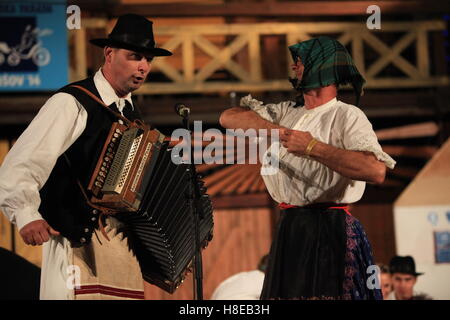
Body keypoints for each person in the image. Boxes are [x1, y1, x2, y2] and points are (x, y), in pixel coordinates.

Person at [0, 14, 172, 299]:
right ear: (109, 53)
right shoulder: (71, 102)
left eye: (148, 60)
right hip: (75, 242)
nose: (143, 67)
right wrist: (25, 213)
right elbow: (22, 162)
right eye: (134, 56)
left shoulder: (132, 116)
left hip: (121, 247)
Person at [220, 36, 396, 300]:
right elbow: (228, 118)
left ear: (321, 68)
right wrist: (278, 131)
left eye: (300, 62)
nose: (294, 68)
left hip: (330, 227)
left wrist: (313, 147)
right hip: (292, 226)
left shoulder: (347, 116)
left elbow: (375, 170)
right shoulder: (287, 111)